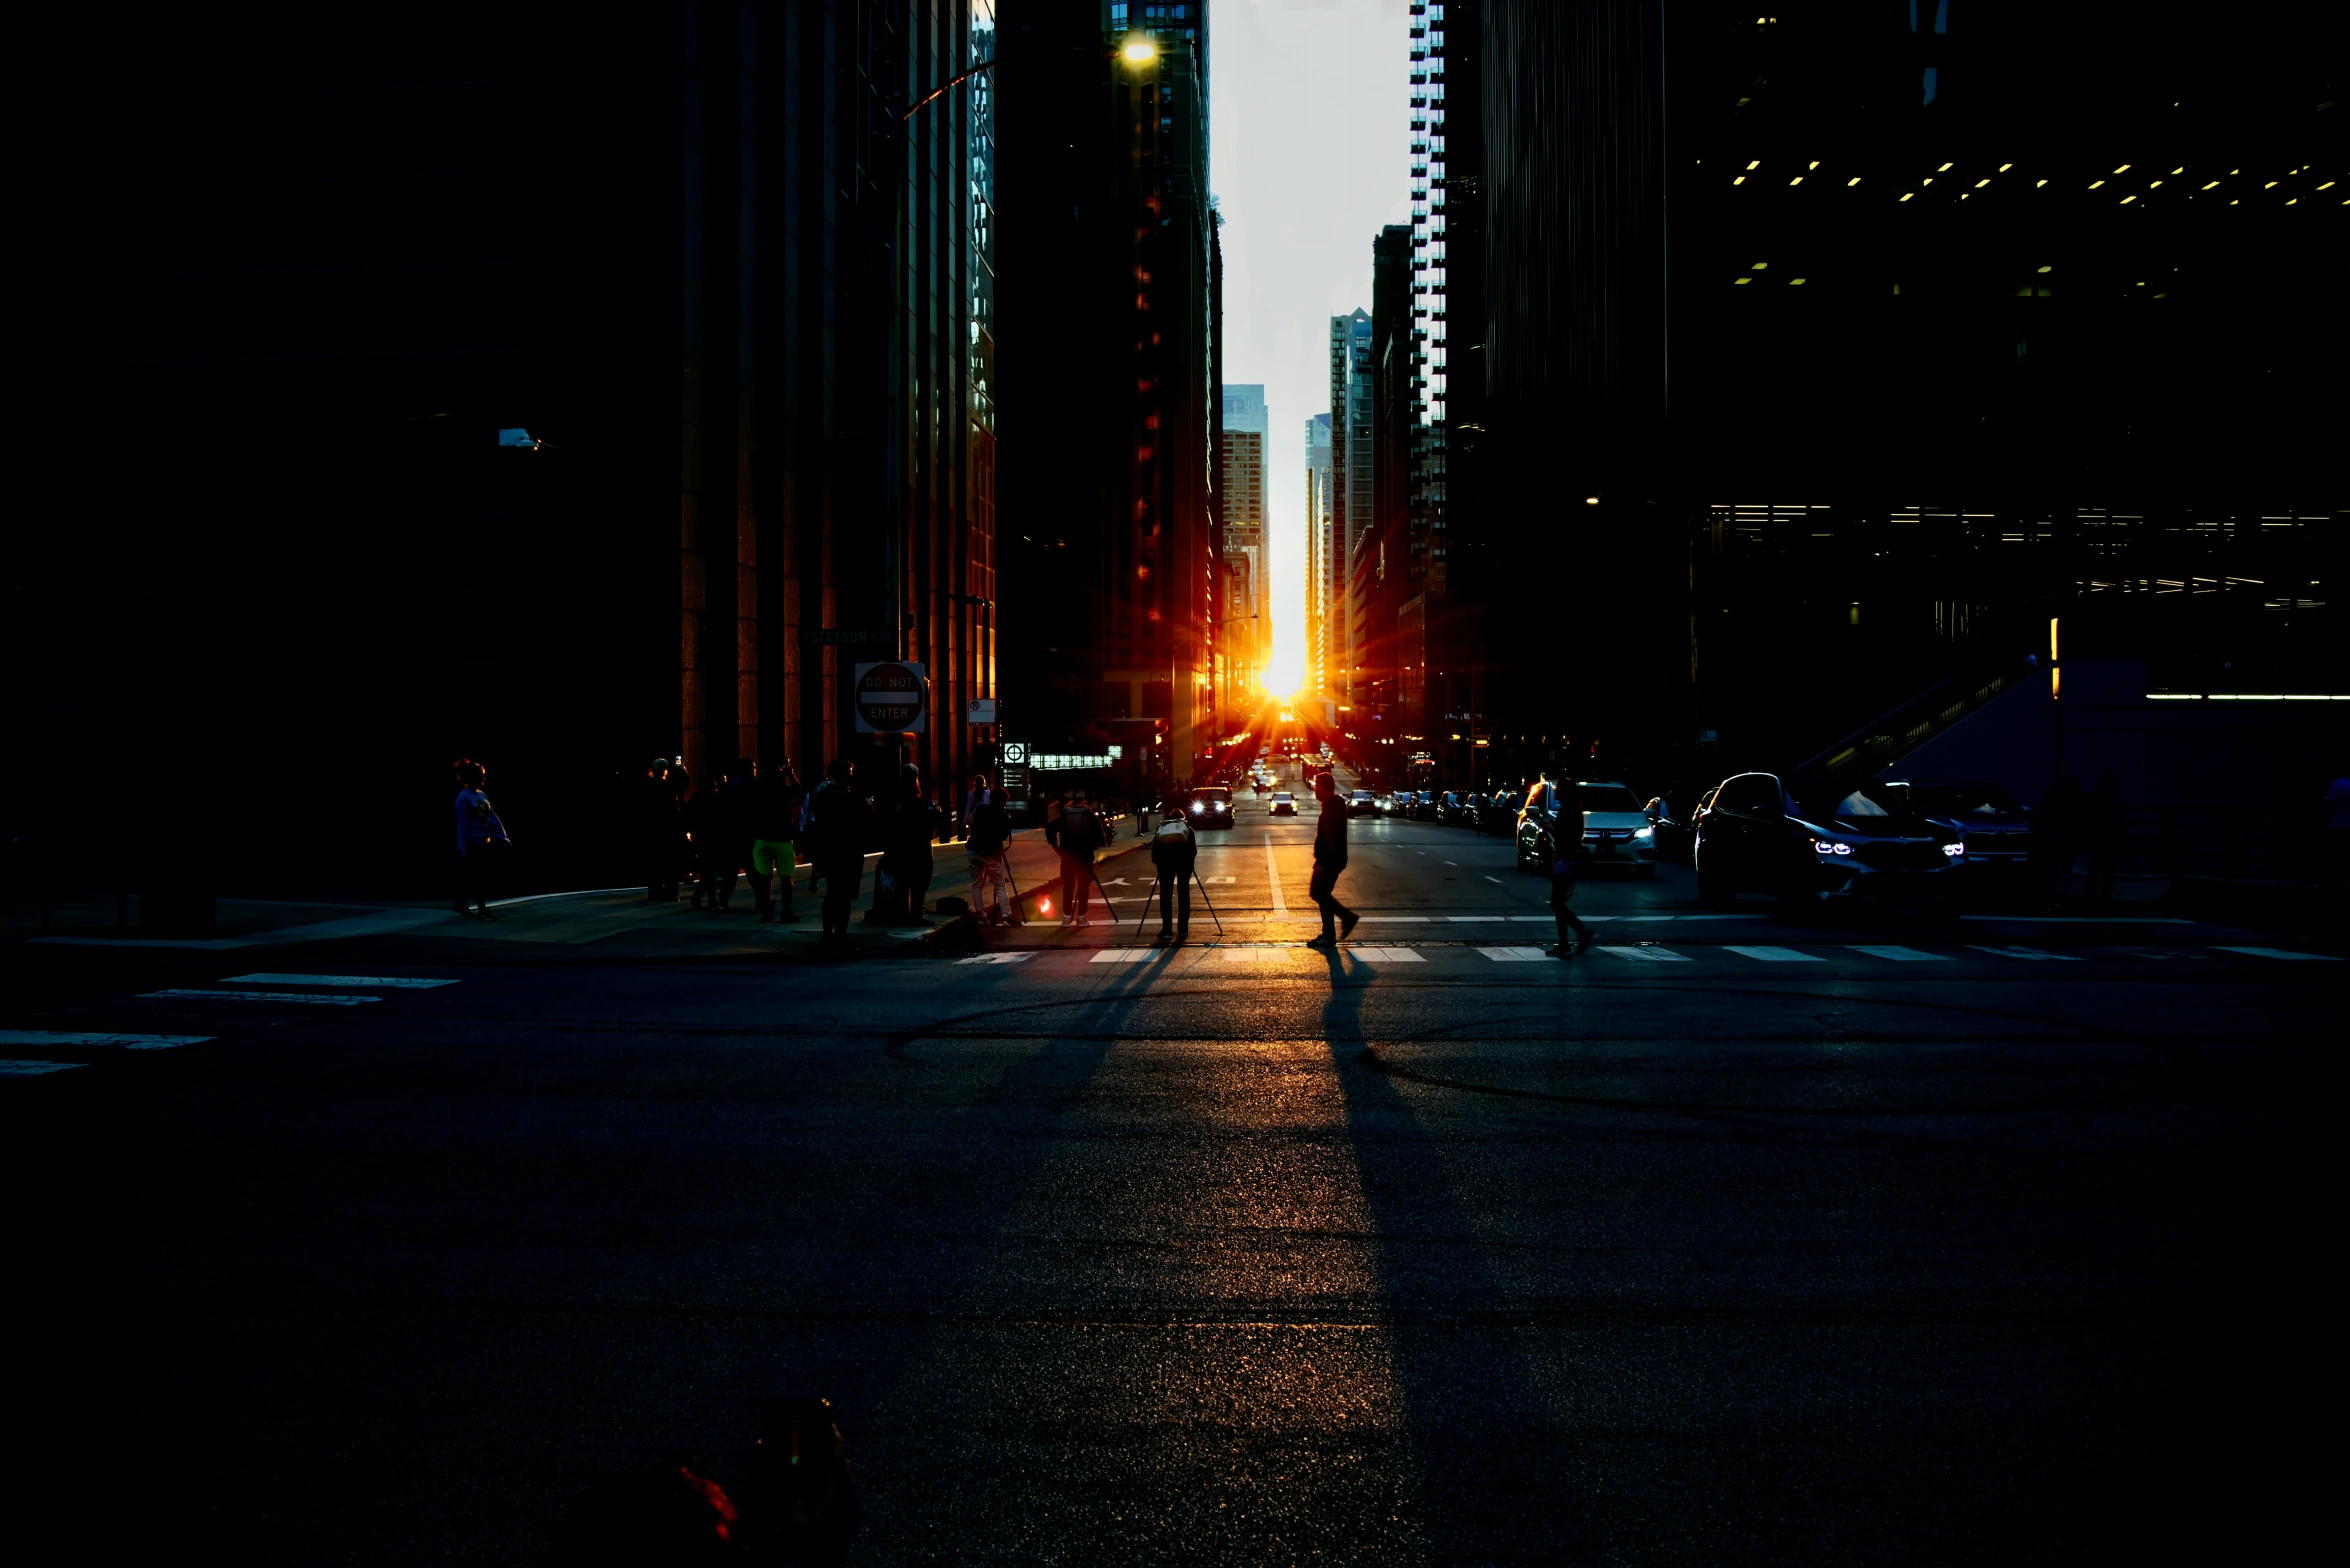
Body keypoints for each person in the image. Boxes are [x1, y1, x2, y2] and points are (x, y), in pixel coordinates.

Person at [803, 757, 871, 948]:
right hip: (848, 852)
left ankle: (826, 933)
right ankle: (840, 934)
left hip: (827, 851)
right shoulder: (852, 798)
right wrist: (867, 805)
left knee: (832, 893)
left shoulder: (819, 797)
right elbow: (865, 821)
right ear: (843, 775)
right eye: (849, 773)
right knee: (845, 896)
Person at [451, 758, 510, 922]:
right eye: (480, 775)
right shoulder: (463, 798)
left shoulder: (482, 795)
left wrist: (501, 836)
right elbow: (462, 824)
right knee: (478, 878)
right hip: (472, 844)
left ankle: (460, 901)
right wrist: (461, 848)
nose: (483, 778)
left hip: (485, 842)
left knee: (475, 877)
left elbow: (493, 818)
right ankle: (482, 910)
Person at [1305, 770, 1359, 948]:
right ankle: (1329, 933)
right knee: (1322, 895)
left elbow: (1330, 837)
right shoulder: (1331, 805)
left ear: (1323, 787)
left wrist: (1324, 862)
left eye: (1316, 786)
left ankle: (1343, 920)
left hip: (1329, 860)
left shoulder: (1332, 807)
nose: (1314, 790)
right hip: (1330, 859)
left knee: (1319, 893)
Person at [749, 760, 805, 923]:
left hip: (762, 838)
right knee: (786, 878)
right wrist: (790, 774)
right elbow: (799, 791)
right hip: (782, 838)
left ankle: (766, 911)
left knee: (765, 878)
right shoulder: (782, 790)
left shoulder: (756, 789)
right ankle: (786, 910)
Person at [1545, 798, 1593, 958]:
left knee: (1557, 902)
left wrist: (1552, 830)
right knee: (1558, 902)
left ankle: (1582, 933)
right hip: (1563, 859)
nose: (1557, 792)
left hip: (1566, 860)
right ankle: (1564, 943)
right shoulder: (1568, 810)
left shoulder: (1570, 812)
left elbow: (1567, 838)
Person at [1054, 790, 1105, 927]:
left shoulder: (1065, 815)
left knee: (1068, 886)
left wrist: (1056, 847)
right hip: (1084, 855)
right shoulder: (1089, 815)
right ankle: (1081, 918)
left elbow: (1049, 829)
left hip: (1067, 855)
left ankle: (1066, 918)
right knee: (1083, 886)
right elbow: (1101, 840)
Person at [965, 783, 1014, 925]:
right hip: (990, 852)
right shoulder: (1003, 815)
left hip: (973, 849)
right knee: (999, 884)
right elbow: (1003, 836)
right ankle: (1006, 916)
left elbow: (973, 824)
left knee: (977, 884)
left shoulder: (980, 809)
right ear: (1004, 801)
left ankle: (980, 915)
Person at [1149, 808, 1197, 942]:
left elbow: (1154, 853)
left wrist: (1159, 863)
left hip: (1165, 865)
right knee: (1183, 894)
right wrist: (1189, 865)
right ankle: (1183, 929)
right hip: (1184, 864)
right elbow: (1193, 850)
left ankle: (1166, 929)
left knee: (1165, 895)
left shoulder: (1161, 828)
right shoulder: (1188, 829)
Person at [2082, 771, 2125, 907]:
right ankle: (2103, 901)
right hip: (2108, 843)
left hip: (2096, 843)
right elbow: (2119, 825)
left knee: (2094, 874)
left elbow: (2085, 822)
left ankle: (2090, 901)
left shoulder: (2092, 801)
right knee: (2106, 875)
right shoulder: (2115, 802)